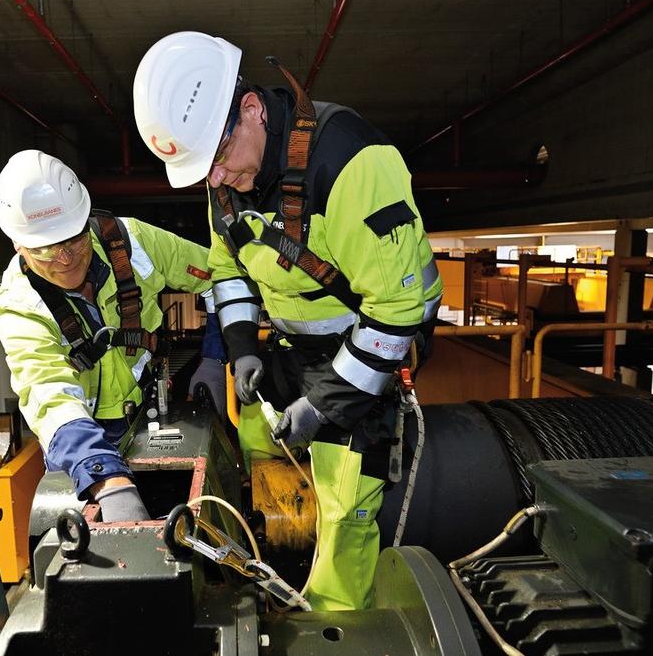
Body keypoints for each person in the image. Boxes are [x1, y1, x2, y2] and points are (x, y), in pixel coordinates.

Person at [133, 32, 443, 610]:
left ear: (251, 110)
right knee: (257, 443)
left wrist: (323, 404)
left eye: (216, 160)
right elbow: (228, 268)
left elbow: (395, 311)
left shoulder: (351, 162)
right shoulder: (227, 178)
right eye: (203, 172)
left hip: (370, 348)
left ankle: (335, 625)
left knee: (344, 505)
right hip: (292, 345)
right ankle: (274, 571)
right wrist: (241, 347)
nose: (214, 181)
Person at [0, 149, 221, 523]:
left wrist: (214, 357)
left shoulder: (133, 243)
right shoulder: (19, 305)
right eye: (46, 248)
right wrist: (107, 480)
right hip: (80, 437)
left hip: (149, 410)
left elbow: (218, 277)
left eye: (74, 239)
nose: (65, 258)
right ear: (18, 244)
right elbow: (50, 395)